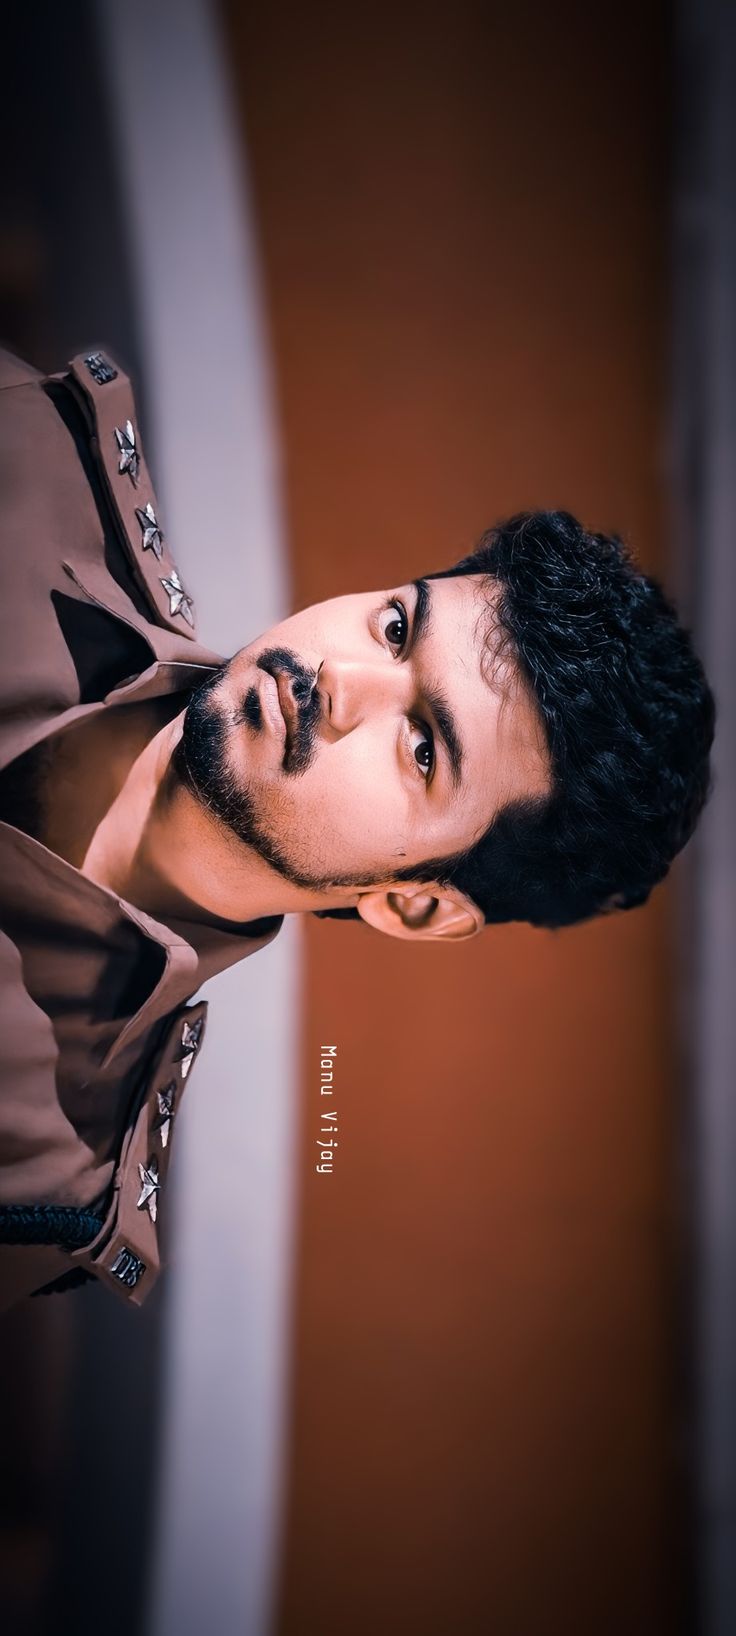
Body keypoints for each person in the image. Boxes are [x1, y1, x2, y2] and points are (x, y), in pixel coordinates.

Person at [0, 346, 715, 1310]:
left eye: (424, 748)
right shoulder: (32, 458)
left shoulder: (54, 1179)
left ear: (416, 905)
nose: (338, 681)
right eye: (393, 629)